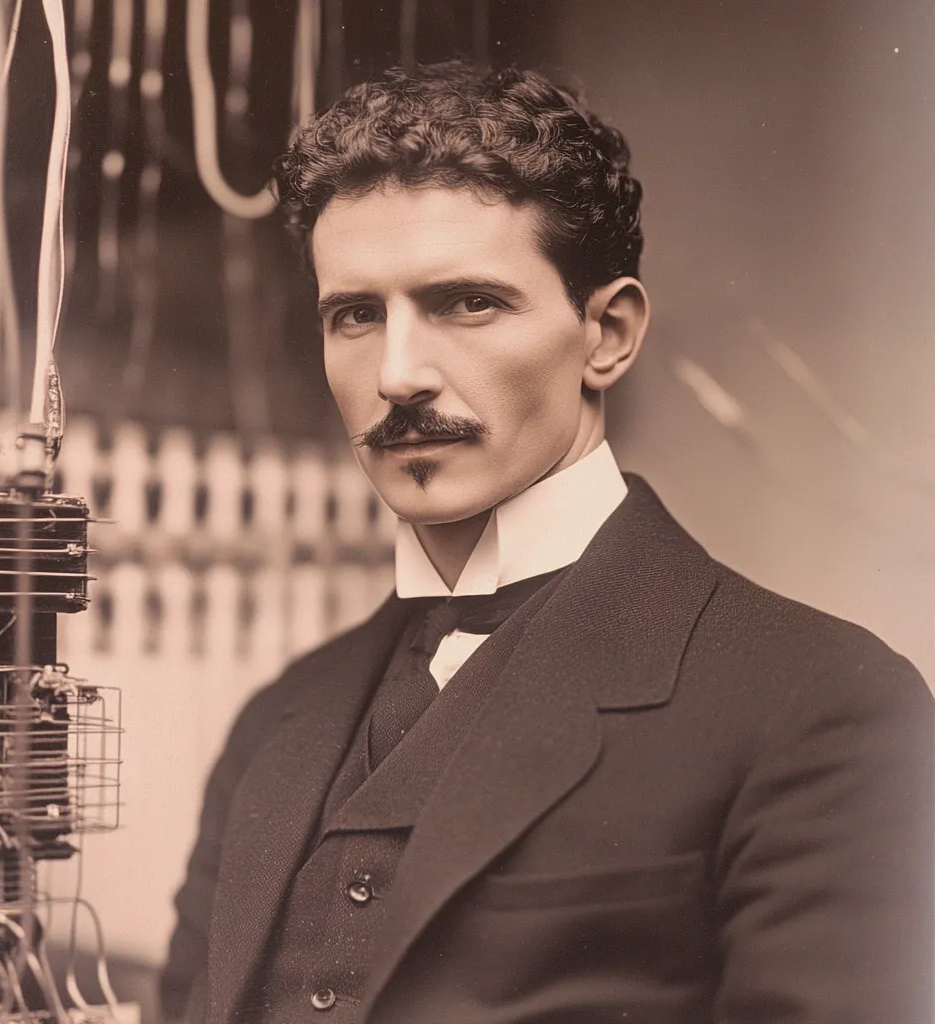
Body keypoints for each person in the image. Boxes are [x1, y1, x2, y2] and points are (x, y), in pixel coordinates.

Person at [160, 61, 933, 1024]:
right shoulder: (278, 721)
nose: (397, 375)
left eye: (467, 303)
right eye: (356, 315)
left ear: (607, 333)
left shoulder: (820, 705)